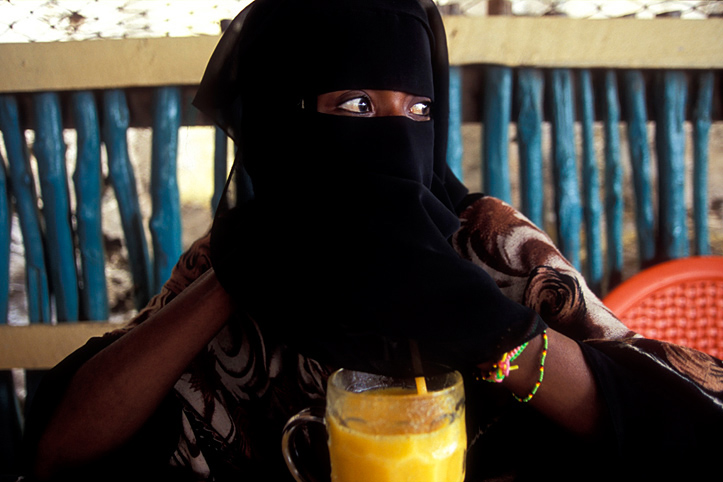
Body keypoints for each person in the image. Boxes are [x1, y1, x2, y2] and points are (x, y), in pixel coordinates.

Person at [21, 0, 723, 480]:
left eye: (417, 110)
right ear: (281, 122)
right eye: (355, 105)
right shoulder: (237, 251)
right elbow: (63, 449)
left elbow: (683, 426)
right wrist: (239, 274)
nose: (393, 136)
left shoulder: (489, 243)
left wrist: (492, 334)